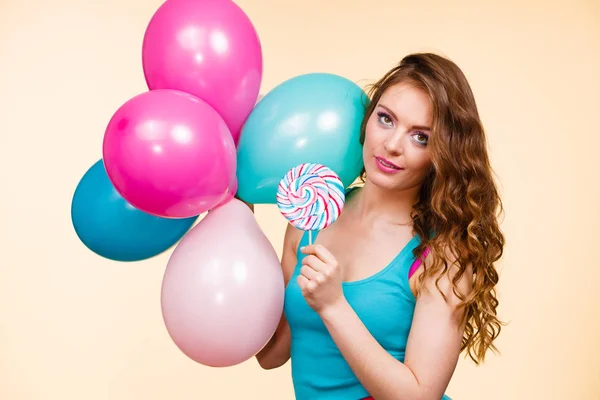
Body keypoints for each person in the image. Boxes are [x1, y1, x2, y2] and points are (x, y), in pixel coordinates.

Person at [253, 53, 505, 400]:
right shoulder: (312, 217)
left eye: (420, 137)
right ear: (367, 119)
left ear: (442, 154)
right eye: (386, 119)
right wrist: (241, 236)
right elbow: (271, 355)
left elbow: (420, 396)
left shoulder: (444, 253)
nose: (392, 145)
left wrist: (333, 306)